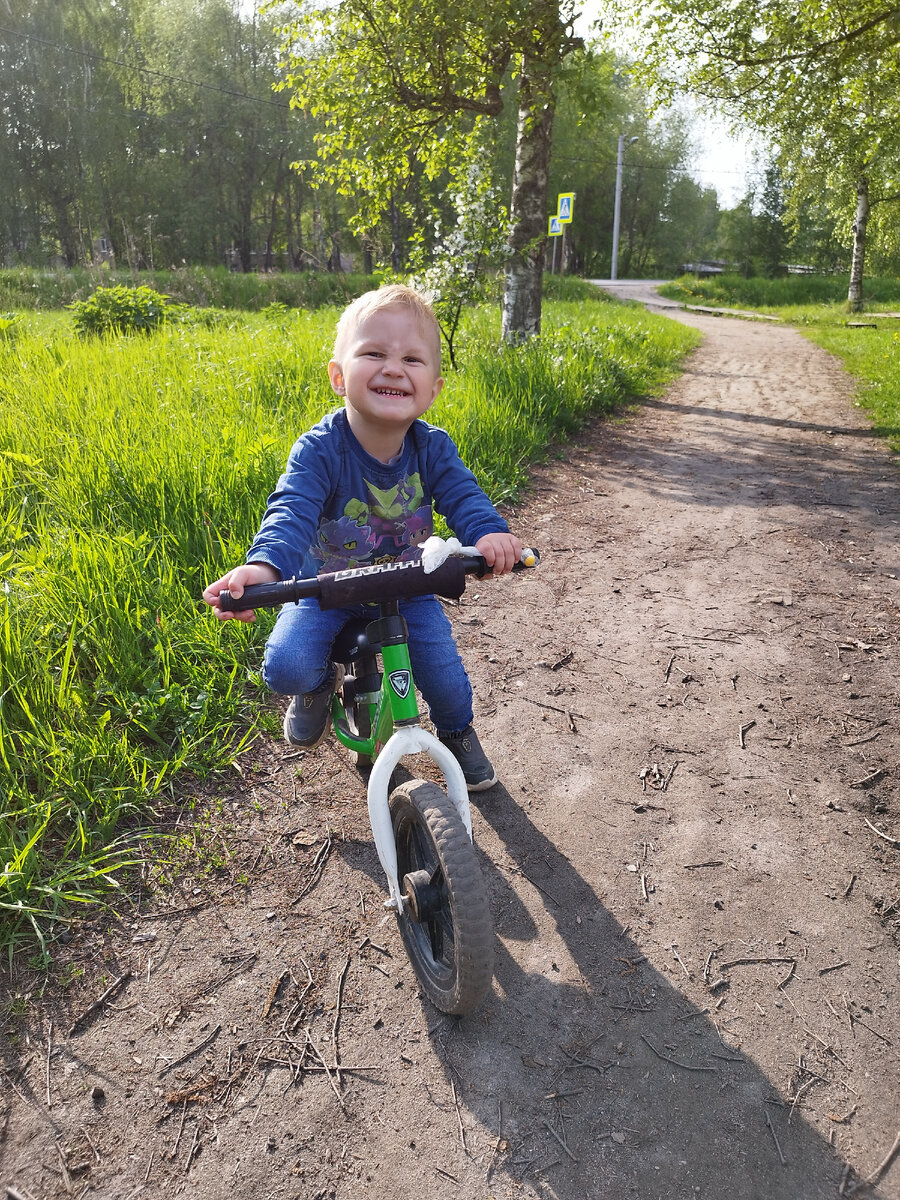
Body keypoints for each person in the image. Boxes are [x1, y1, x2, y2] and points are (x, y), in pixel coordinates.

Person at [202, 284, 522, 791]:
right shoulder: (318, 452)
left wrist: (488, 536)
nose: (394, 367)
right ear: (338, 375)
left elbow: (465, 497)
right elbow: (291, 513)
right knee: (286, 665)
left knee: (442, 673)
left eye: (412, 359)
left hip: (407, 585)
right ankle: (314, 689)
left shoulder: (432, 448)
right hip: (325, 588)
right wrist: (262, 569)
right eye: (374, 353)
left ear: (433, 388)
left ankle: (458, 732)